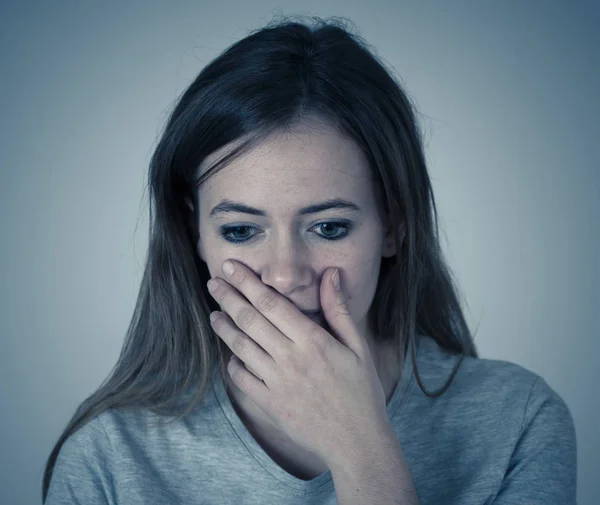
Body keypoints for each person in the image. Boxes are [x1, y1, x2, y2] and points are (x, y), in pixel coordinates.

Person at [42, 15, 577, 505]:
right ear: (195, 234)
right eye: (241, 230)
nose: (283, 274)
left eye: (328, 227)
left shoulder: (519, 421)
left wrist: (361, 448)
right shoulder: (108, 460)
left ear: (394, 225)